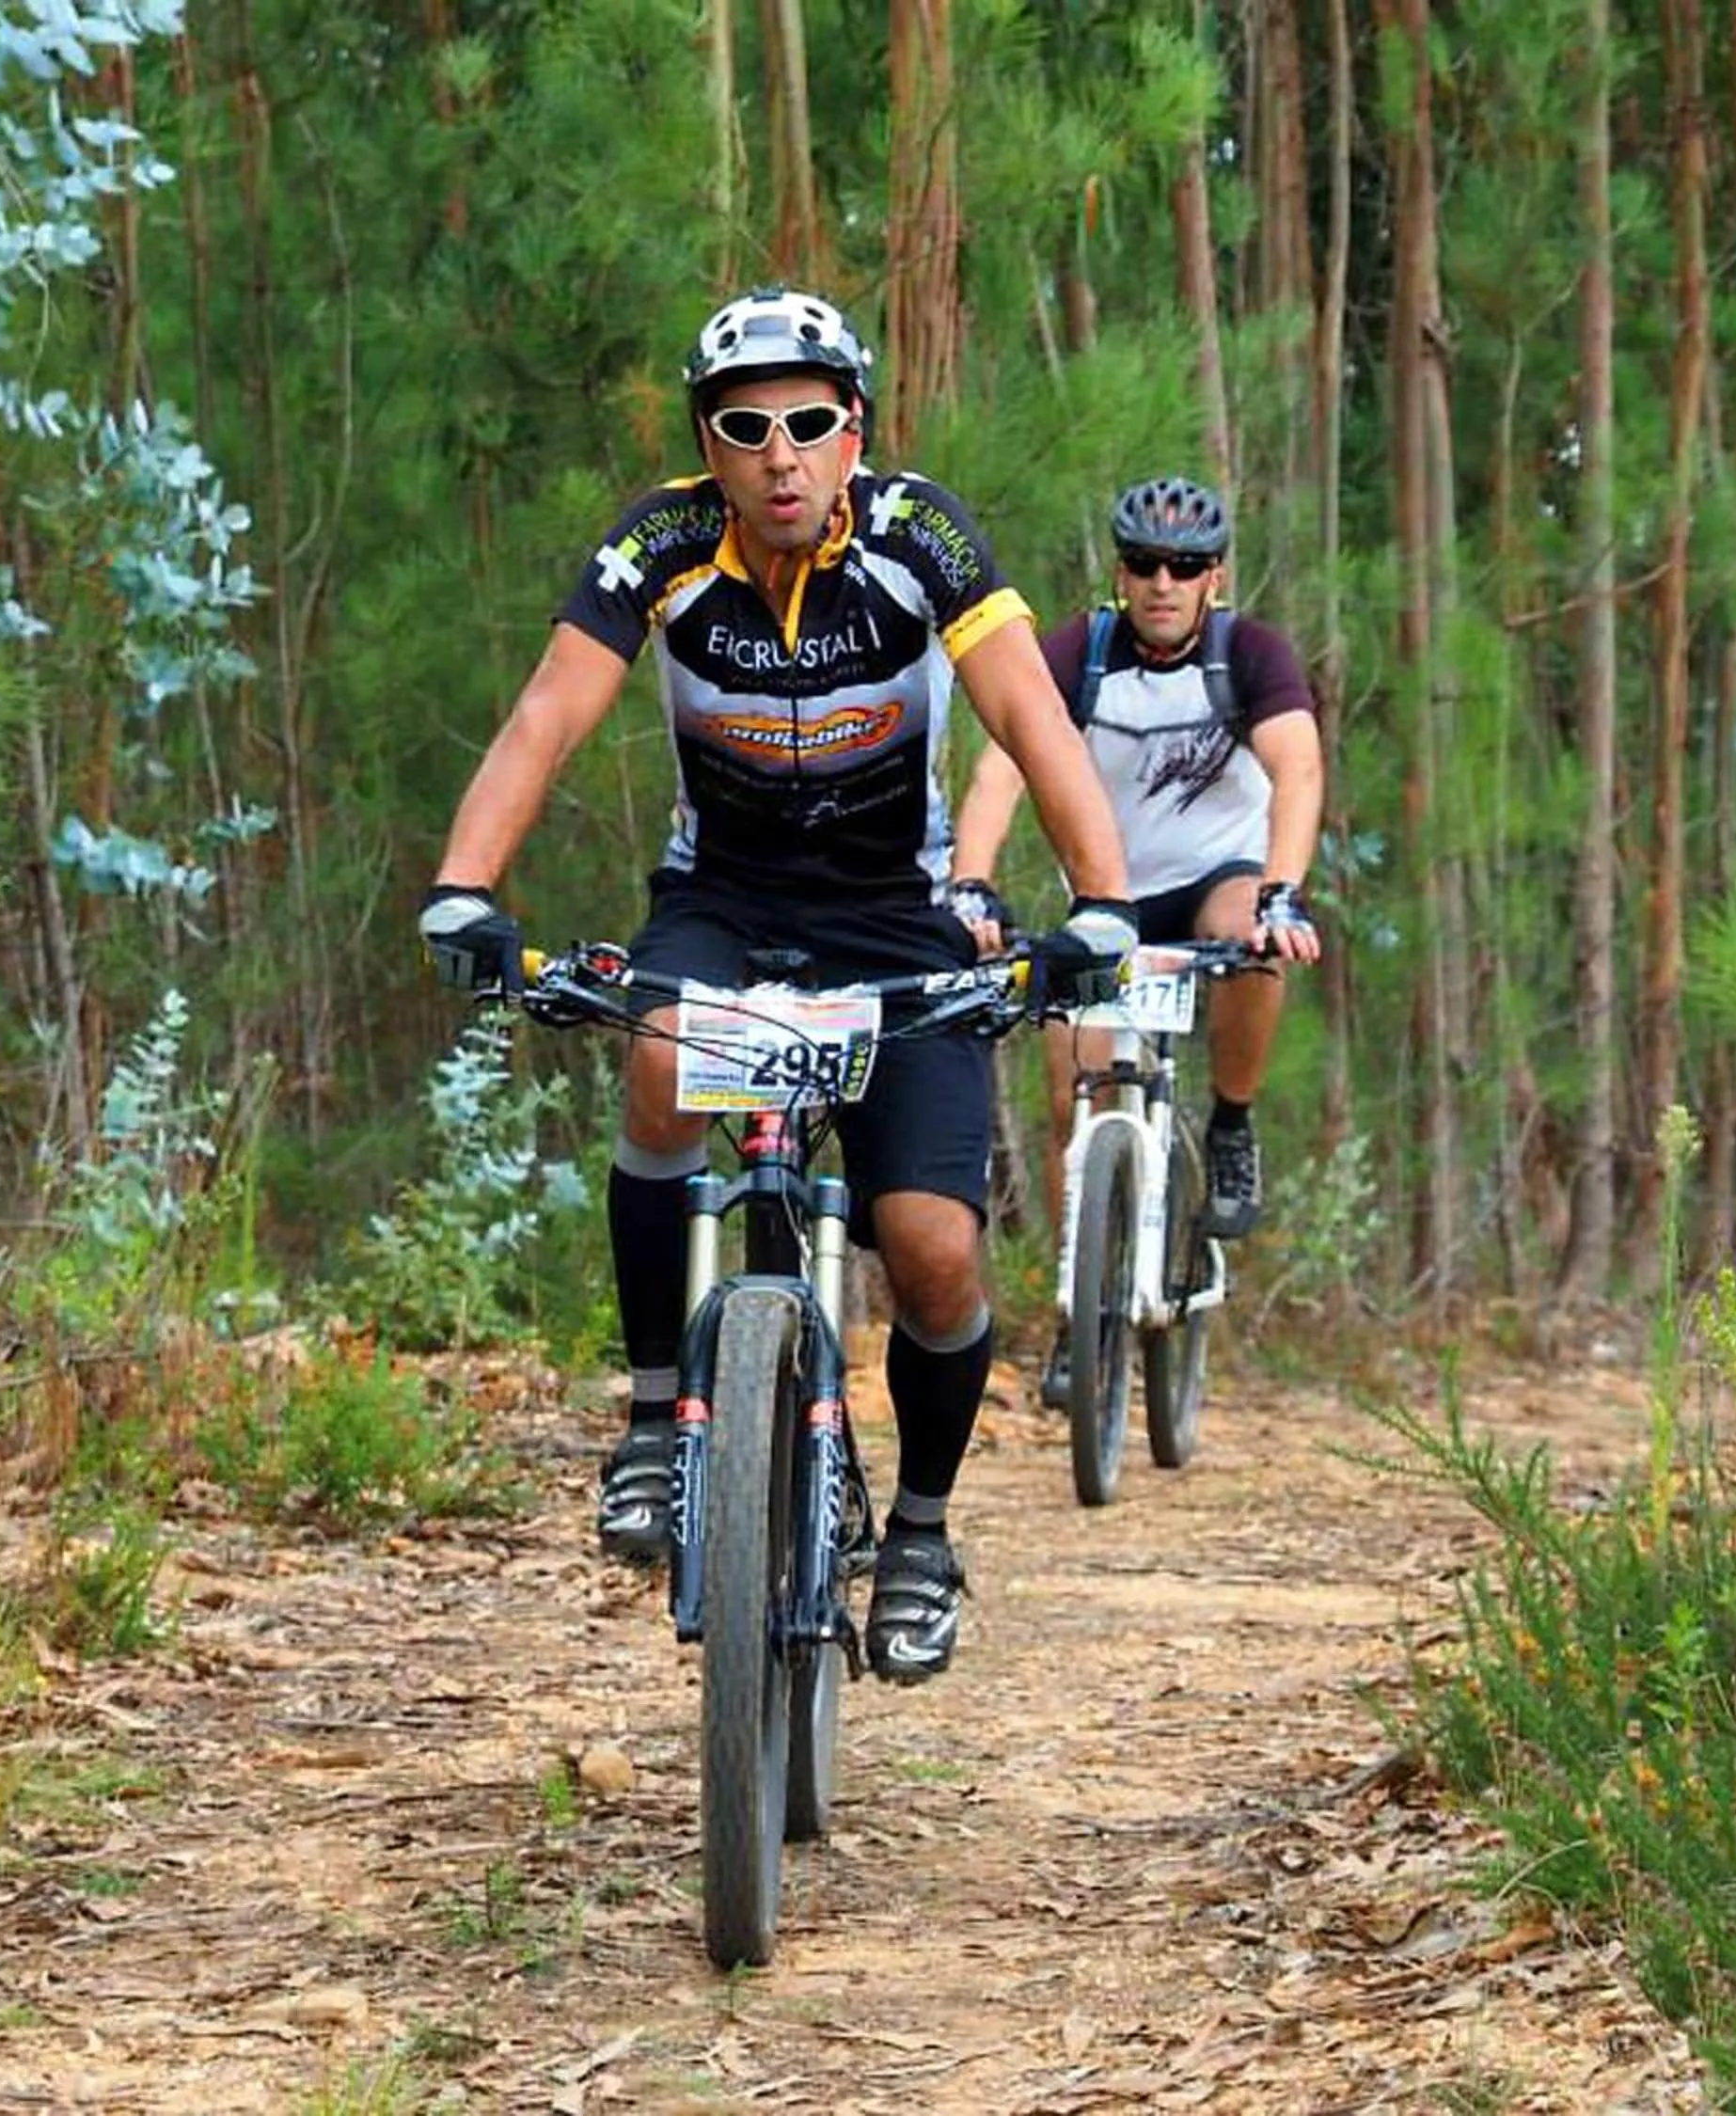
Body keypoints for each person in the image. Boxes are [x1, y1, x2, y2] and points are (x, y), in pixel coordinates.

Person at [418, 287, 1136, 1682]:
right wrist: (466, 885)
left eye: (810, 423)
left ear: (852, 432)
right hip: (727, 905)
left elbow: (1029, 718)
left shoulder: (922, 539)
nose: (781, 453)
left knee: (931, 1251)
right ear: (712, 444)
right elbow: (546, 715)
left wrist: (1099, 904)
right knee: (657, 1053)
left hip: (895, 920)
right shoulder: (664, 543)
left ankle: (921, 1532)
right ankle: (645, 1419)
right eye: (746, 429)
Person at [947, 476, 1324, 1406]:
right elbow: (1003, 768)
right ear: (1121, 572)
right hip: (1109, 896)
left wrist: (1283, 892)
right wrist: (969, 882)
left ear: (1214, 577)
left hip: (1216, 881)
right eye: (1146, 564)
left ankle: (1231, 1122)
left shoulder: (1253, 655)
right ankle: (1087, 1314)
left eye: (1186, 566)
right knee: (1072, 1082)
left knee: (1251, 938)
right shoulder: (1078, 652)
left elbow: (1298, 766)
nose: (1164, 582)